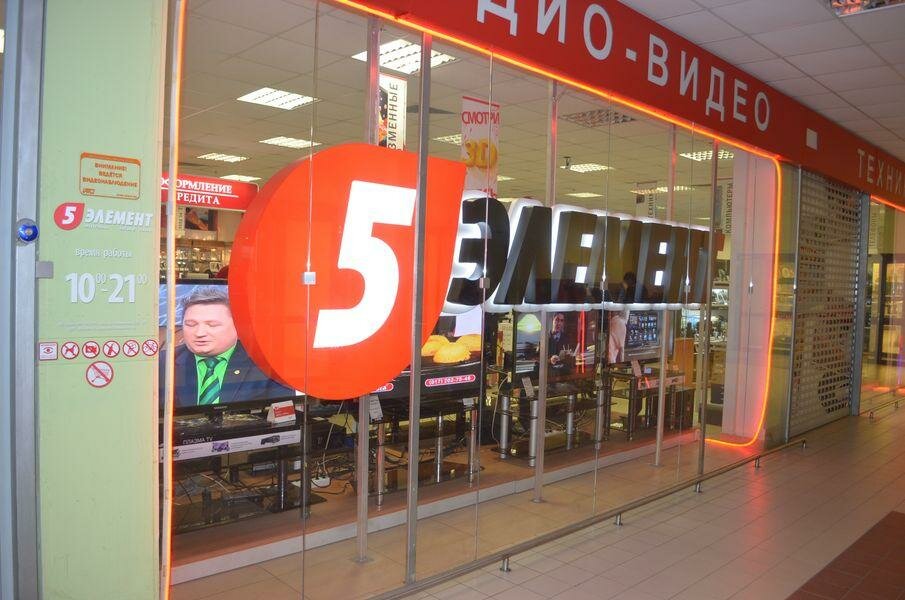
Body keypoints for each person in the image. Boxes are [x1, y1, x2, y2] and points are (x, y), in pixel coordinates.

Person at [161, 285, 294, 408]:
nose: (199, 333)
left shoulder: (267, 364)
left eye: (212, 325)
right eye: (191, 324)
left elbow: (283, 417)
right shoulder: (161, 364)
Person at [548, 312, 576, 377]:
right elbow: (539, 358)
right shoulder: (545, 338)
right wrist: (550, 360)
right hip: (549, 375)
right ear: (552, 320)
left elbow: (571, 359)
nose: (559, 323)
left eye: (561, 321)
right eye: (557, 320)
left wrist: (571, 356)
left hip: (563, 374)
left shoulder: (567, 338)